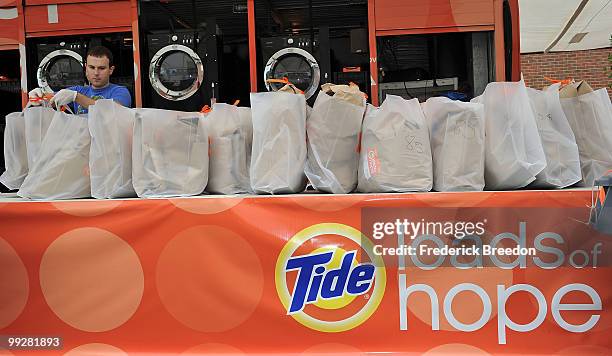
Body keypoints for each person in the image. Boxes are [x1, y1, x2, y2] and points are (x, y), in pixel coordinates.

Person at [29, 45, 131, 114]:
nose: (96, 73)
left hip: (108, 145)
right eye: (92, 67)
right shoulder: (79, 90)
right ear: (86, 67)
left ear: (111, 70)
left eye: (101, 68)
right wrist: (39, 98)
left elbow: (114, 111)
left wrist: (76, 97)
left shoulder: (120, 92)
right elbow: (51, 100)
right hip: (82, 144)